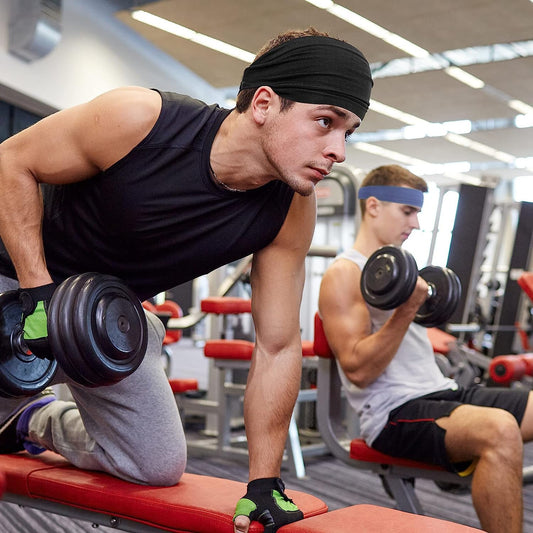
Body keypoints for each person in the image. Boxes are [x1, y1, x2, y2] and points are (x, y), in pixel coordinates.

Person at [0, 28, 373, 533]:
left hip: (106, 321)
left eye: (347, 132)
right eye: (324, 122)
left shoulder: (290, 212)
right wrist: (37, 293)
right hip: (17, 286)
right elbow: (11, 161)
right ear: (264, 103)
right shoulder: (141, 120)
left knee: (154, 465)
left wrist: (263, 483)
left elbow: (279, 345)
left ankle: (30, 419)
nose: (339, 150)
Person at [318, 164, 533, 533]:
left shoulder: (403, 271)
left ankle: (463, 458)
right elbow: (358, 369)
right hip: (393, 412)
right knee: (499, 429)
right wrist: (407, 310)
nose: (415, 223)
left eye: (418, 213)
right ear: (373, 206)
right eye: (408, 211)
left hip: (443, 393)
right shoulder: (344, 273)